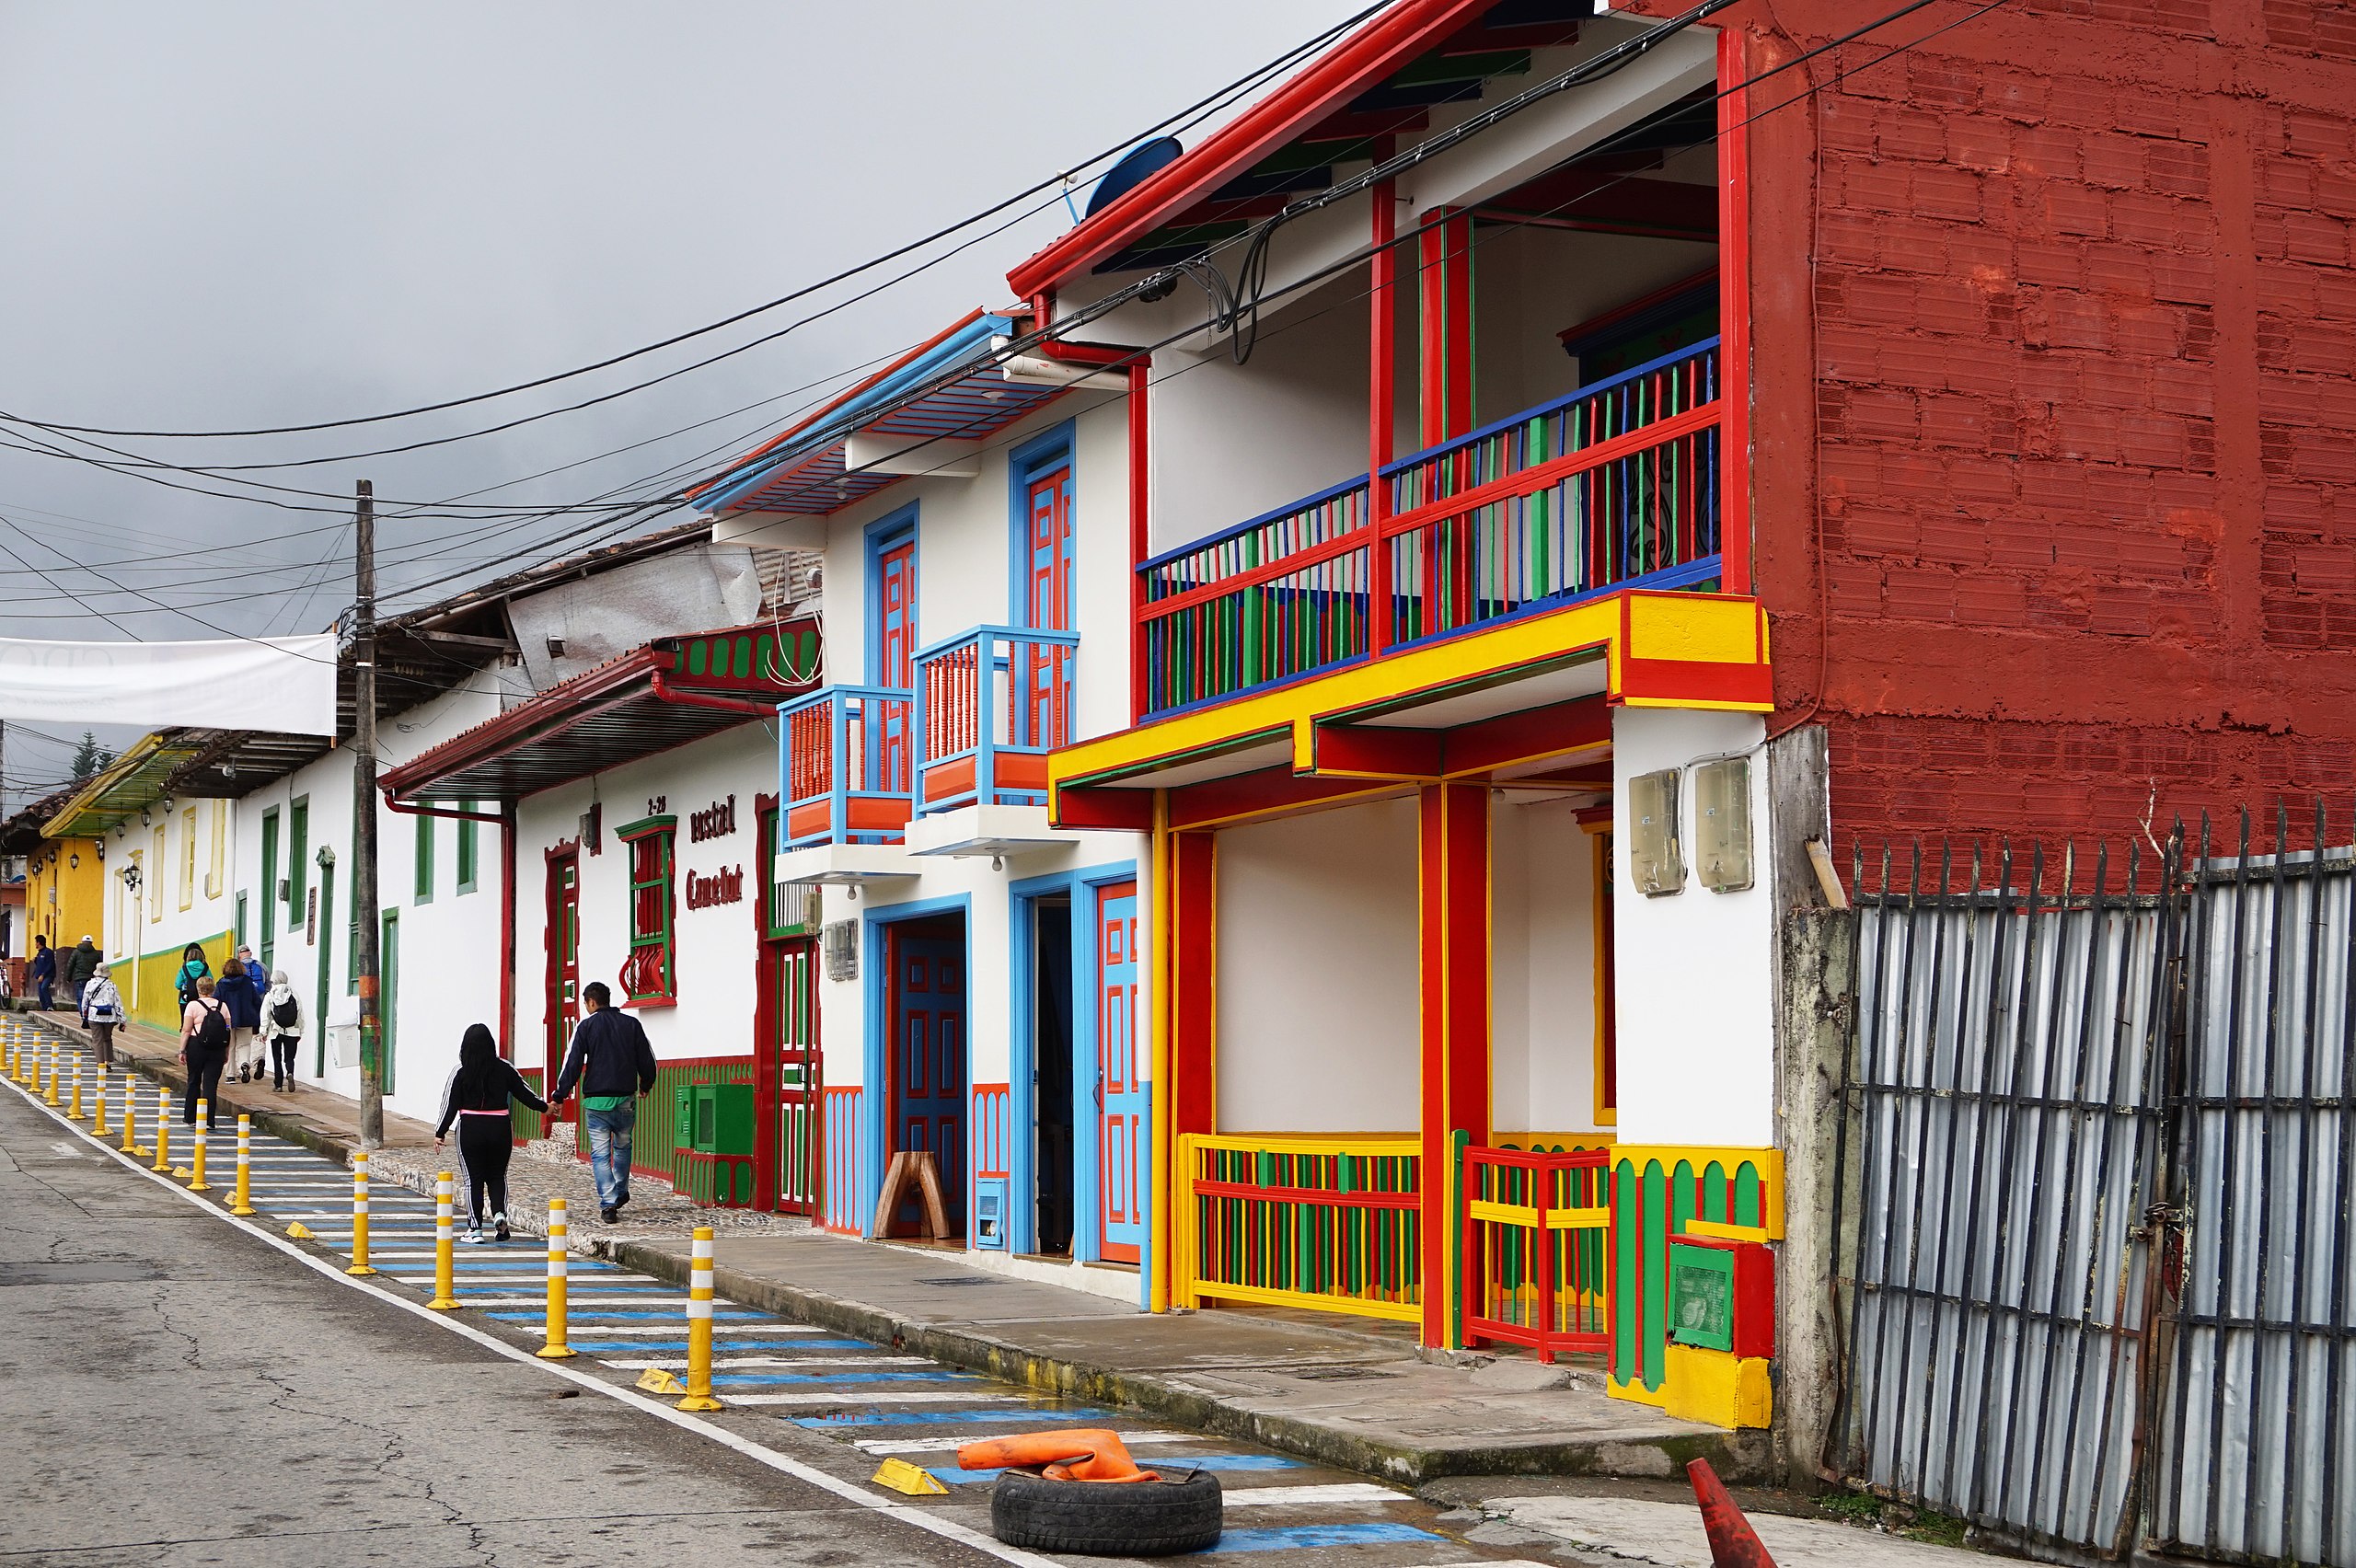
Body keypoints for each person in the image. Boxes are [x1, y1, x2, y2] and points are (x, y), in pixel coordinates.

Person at [548, 980, 657, 1224]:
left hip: (596, 1103)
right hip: (625, 1099)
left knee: (599, 1154)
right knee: (623, 1147)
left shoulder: (586, 1027)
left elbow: (572, 1062)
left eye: (585, 1003)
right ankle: (621, 1190)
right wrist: (645, 1085)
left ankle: (609, 1203)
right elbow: (648, 1059)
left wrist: (559, 1096)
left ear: (591, 1002)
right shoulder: (631, 1024)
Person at [434, 1024, 548, 1243]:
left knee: (472, 1180)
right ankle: (499, 1216)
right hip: (500, 1127)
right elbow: (525, 1093)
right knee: (498, 1175)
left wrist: (440, 1132)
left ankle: (475, 1229)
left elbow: (449, 1104)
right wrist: (546, 1108)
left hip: (471, 1127)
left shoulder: (460, 1071)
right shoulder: (505, 1068)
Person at [179, 974, 231, 1129]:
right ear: (213, 989)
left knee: (194, 1080)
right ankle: (209, 1120)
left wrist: (182, 1050)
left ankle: (190, 1117)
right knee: (210, 1084)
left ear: (198, 989)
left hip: (196, 1046)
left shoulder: (192, 1006)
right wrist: (226, 1051)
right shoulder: (223, 1006)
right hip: (217, 1048)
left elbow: (186, 1030)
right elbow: (228, 1029)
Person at [215, 956, 264, 1083]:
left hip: (227, 1022)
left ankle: (230, 1075)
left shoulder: (221, 984)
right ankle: (244, 1064)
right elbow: (256, 1001)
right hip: (246, 1019)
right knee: (244, 1045)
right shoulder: (247, 982)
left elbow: (217, 1003)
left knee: (230, 1046)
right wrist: (256, 1017)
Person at [261, 968, 303, 1091]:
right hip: (292, 1030)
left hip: (276, 1030)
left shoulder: (270, 994)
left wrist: (263, 1031)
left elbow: (265, 1015)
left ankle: (278, 1085)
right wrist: (300, 1031)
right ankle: (290, 1072)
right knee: (290, 1057)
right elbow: (300, 1013)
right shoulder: (293, 993)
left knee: (277, 1057)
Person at [80, 963, 124, 1066]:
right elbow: (118, 1003)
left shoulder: (90, 984)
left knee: (97, 1040)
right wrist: (122, 1019)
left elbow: (85, 1001)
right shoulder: (112, 985)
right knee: (107, 1038)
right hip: (109, 1016)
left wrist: (84, 1014)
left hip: (94, 1015)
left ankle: (100, 1063)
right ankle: (108, 1062)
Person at [64, 935, 99, 1013]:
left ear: (82, 942)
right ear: (91, 943)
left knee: (80, 998)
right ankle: (89, 1013)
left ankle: (83, 1014)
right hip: (91, 978)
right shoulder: (96, 953)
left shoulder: (76, 952)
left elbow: (70, 965)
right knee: (90, 998)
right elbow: (99, 966)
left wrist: (68, 978)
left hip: (79, 978)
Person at [173, 942, 211, 1009]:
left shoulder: (183, 968)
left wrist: (186, 986)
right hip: (202, 1000)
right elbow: (210, 982)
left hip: (186, 1000)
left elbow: (178, 984)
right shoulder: (205, 968)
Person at [29, 935, 55, 1011]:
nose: (35, 944)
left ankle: (50, 1006)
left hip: (48, 975)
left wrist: (43, 974)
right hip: (40, 975)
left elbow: (50, 964)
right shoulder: (39, 953)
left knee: (44, 988)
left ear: (39, 943)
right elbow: (40, 965)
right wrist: (36, 961)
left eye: (36, 942)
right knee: (40, 992)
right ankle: (44, 1008)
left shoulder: (48, 952)